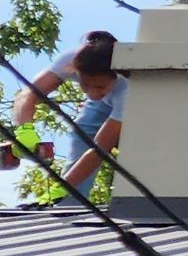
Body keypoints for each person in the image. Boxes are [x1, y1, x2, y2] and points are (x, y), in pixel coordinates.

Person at [8, 31, 128, 198]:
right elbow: (28, 94)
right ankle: (68, 203)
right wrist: (24, 129)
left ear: (114, 76)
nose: (92, 93)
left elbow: (99, 150)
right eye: (85, 85)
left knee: (125, 146)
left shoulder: (126, 87)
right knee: (82, 133)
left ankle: (66, 193)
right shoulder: (73, 59)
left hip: (132, 106)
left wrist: (64, 187)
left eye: (100, 86)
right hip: (102, 104)